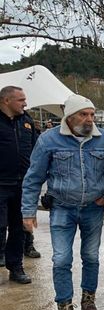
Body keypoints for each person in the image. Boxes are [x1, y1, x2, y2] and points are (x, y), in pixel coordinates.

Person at [22, 94, 104, 310]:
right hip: (62, 208)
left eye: (92, 115)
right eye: (83, 114)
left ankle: (88, 302)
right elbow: (34, 177)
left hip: (93, 208)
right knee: (61, 259)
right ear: (70, 116)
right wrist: (28, 211)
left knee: (91, 256)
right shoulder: (48, 140)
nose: (89, 120)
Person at [0, 86, 37, 284]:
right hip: (1, 183)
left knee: (19, 228)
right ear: (6, 100)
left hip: (23, 184)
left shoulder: (27, 121)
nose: (25, 103)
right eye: (20, 99)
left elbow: (35, 150)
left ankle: (16, 267)